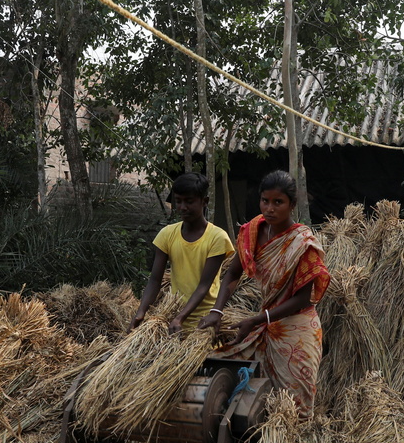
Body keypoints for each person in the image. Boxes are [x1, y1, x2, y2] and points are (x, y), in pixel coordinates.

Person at [199, 170, 330, 416]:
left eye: (278, 202)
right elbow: (233, 273)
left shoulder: (303, 243)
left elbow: (303, 298)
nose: (270, 208)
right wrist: (216, 310)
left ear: (292, 205)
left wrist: (258, 320)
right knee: (232, 379)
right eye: (265, 201)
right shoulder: (252, 231)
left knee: (294, 408)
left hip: (296, 329)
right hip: (265, 323)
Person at [131, 172, 235, 334]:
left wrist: (180, 318)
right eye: (178, 201)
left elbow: (204, 285)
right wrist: (141, 312)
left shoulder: (217, 237)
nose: (182, 207)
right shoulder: (167, 234)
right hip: (174, 317)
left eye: (189, 201)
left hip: (205, 321)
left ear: (204, 201)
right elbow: (155, 280)